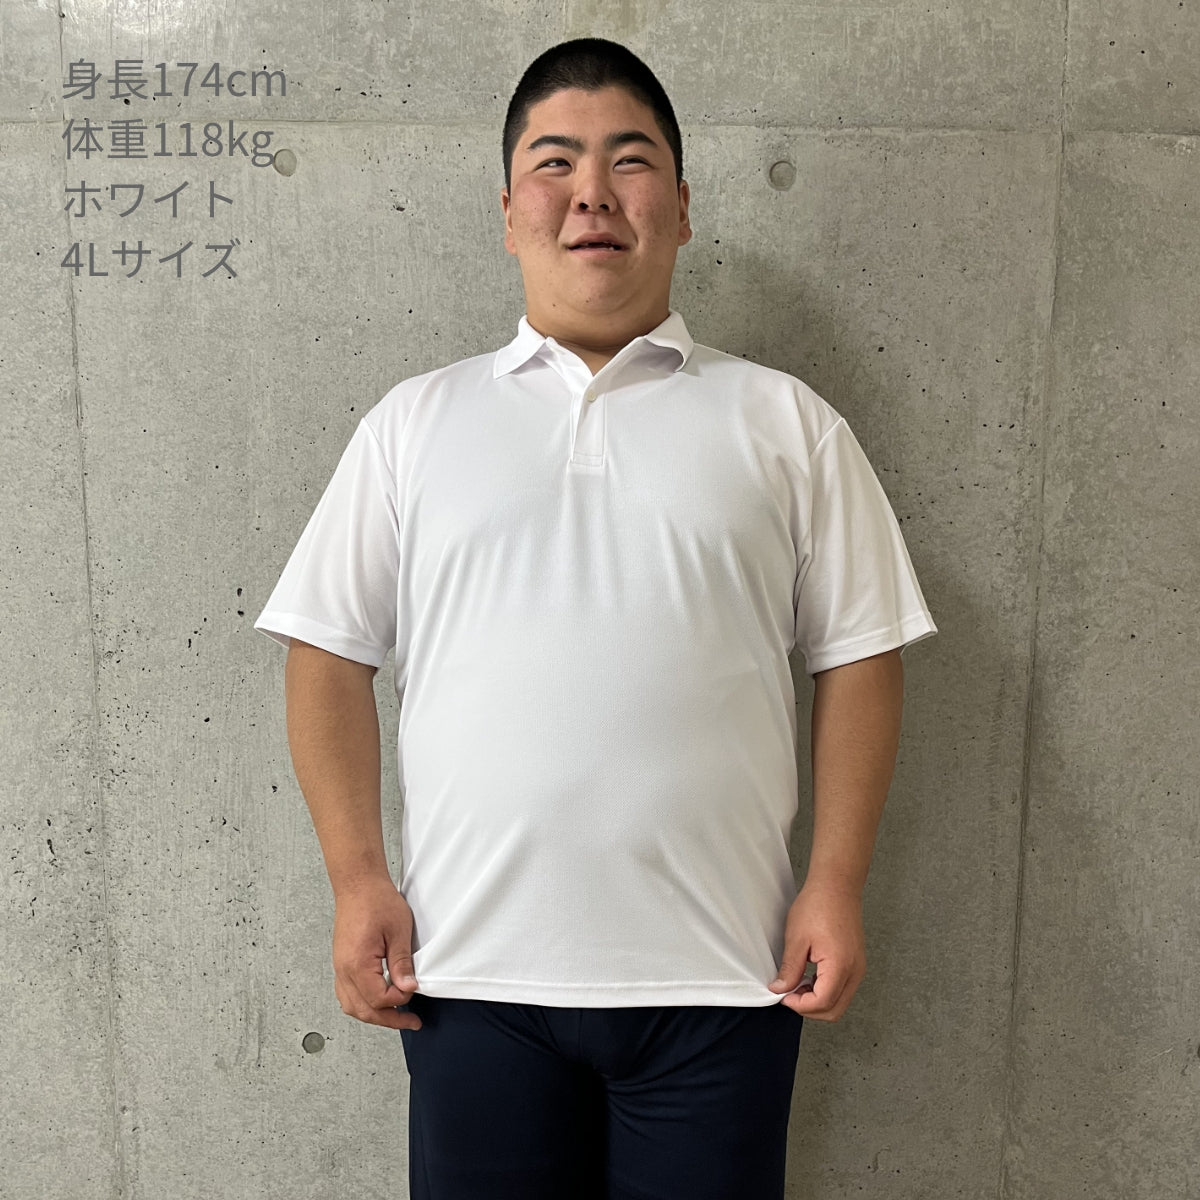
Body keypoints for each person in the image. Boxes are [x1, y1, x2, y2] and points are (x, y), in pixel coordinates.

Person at [255, 37, 935, 1200]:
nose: (592, 194)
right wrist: (357, 877)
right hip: (469, 979)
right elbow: (326, 652)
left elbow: (860, 655)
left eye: (630, 161)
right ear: (507, 211)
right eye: (554, 162)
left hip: (724, 979)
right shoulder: (415, 425)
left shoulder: (786, 423)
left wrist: (835, 881)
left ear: (682, 206)